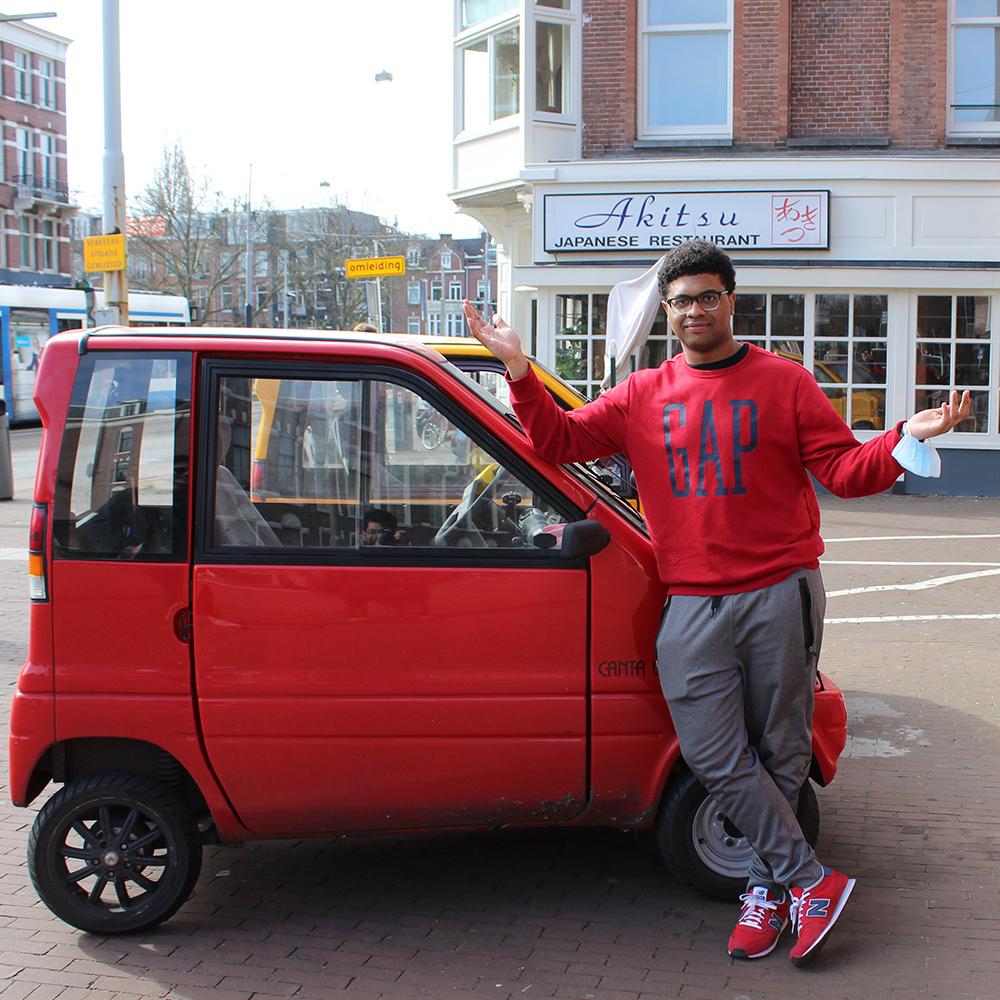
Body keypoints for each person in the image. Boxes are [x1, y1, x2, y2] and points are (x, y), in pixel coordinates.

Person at [463, 239, 971, 968]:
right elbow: (557, 440)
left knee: (782, 749)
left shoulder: (786, 382)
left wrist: (901, 441)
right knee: (711, 750)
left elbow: (843, 470)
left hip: (779, 589)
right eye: (681, 301)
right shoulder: (643, 394)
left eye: (707, 296)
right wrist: (517, 367)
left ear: (731, 300)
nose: (694, 310)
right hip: (693, 601)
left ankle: (768, 893)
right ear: (666, 312)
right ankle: (809, 879)